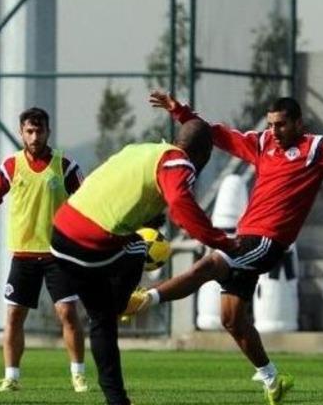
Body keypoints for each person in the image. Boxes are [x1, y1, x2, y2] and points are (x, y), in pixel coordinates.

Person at [128, 91, 323, 405]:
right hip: (246, 238)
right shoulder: (263, 144)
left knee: (208, 266)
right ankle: (274, 380)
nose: (274, 131)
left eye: (281, 125)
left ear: (299, 123)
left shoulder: (315, 148)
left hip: (268, 241)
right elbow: (217, 134)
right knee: (231, 319)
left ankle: (144, 299)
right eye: (271, 124)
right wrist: (181, 112)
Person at [49, 118, 234, 405]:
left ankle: (117, 400)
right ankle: (124, 301)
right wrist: (222, 242)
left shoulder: (142, 150)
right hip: (90, 242)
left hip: (60, 235)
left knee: (102, 319)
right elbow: (182, 208)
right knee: (139, 246)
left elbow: (117, 192)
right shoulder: (179, 162)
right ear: (204, 155)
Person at [0, 107, 89, 393]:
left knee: (68, 312)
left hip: (57, 254)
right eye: (29, 131)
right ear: (22, 132)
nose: (34, 137)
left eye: (40, 131)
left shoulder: (65, 166)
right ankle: (11, 377)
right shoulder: (11, 166)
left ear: (48, 132)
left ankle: (78, 375)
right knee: (13, 317)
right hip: (22, 254)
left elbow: (87, 199)